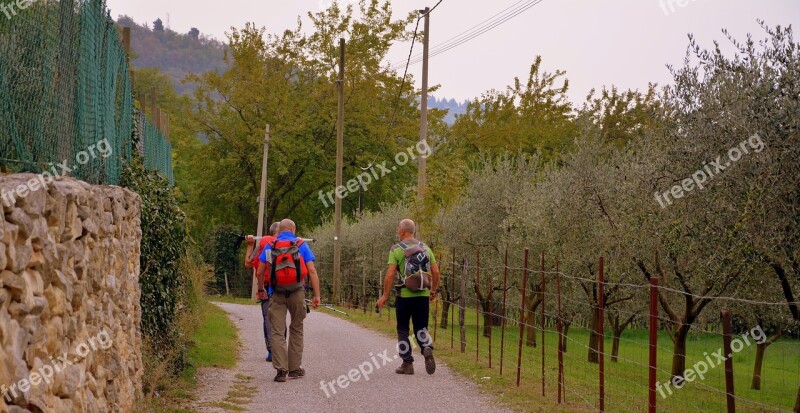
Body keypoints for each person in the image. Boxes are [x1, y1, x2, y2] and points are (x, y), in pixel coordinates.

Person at [256, 218, 321, 382]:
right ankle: (294, 369)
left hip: (276, 293)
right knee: (296, 328)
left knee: (277, 331)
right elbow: (312, 271)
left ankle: (281, 371)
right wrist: (317, 296)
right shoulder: (300, 245)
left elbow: (260, 272)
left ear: (279, 231)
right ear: (293, 230)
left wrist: (260, 289)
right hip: (297, 291)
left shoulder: (270, 247)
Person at [376, 219, 440, 375]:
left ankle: (407, 363)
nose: (398, 231)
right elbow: (436, 272)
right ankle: (426, 347)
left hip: (404, 295)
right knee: (421, 328)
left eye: (399, 229)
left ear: (403, 231)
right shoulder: (425, 248)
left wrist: (384, 295)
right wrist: (433, 291)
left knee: (403, 328)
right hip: (423, 295)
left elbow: (390, 274)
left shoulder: (396, 249)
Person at [244, 222, 281, 362]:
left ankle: (272, 351)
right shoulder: (291, 243)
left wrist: (250, 244)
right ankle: (281, 350)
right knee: (281, 319)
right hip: (287, 288)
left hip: (267, 287)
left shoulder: (263, 243)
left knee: (268, 318)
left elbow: (248, 262)